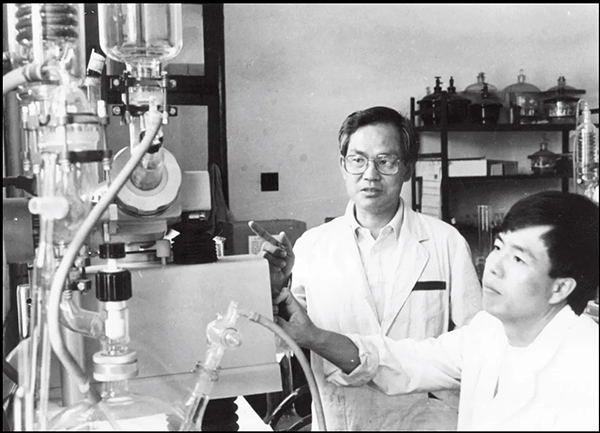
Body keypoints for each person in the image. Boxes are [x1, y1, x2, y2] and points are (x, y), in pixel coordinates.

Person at [273, 190, 600, 431]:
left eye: (518, 258)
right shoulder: (489, 332)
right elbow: (400, 360)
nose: (494, 266)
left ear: (561, 287)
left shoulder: (587, 366)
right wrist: (312, 337)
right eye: (498, 247)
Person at [250, 106, 482, 430]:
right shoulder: (312, 246)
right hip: (344, 419)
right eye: (358, 160)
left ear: (407, 168)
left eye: (385, 161)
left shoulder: (446, 242)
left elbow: (478, 344)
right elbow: (280, 343)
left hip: (425, 422)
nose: (370, 174)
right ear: (343, 166)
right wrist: (272, 288)